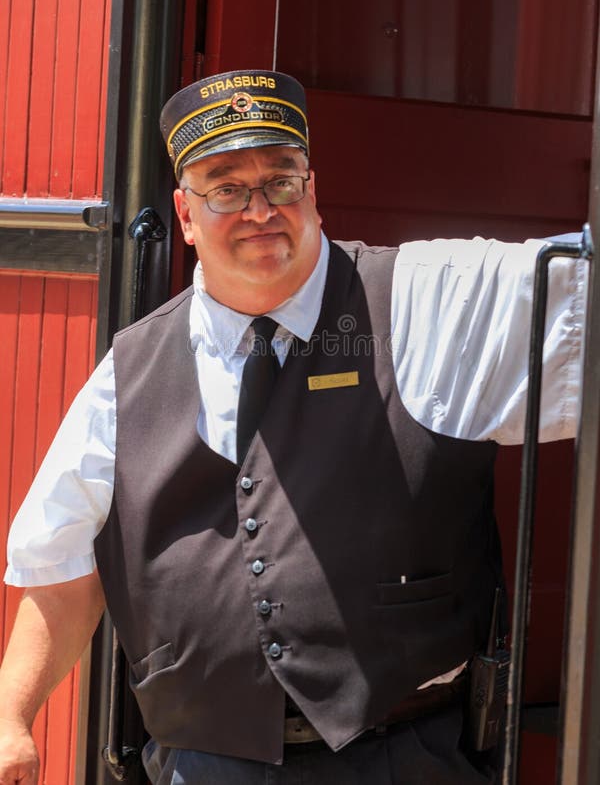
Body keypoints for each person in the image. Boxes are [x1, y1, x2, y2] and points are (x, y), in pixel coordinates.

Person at [0, 70, 585, 785]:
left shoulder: (423, 300)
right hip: (206, 765)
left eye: (281, 180)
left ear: (312, 188)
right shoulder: (131, 371)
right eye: (226, 188)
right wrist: (10, 716)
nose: (260, 209)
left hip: (405, 758)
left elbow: (575, 293)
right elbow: (62, 564)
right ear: (185, 215)